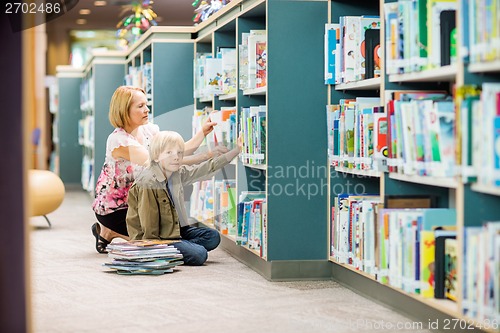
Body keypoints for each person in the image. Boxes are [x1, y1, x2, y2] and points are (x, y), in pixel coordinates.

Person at [91, 85, 225, 254]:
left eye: (146, 104)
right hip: (119, 210)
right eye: (140, 106)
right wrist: (207, 156)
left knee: (210, 238)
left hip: (149, 203)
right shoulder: (118, 141)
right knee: (191, 249)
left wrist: (202, 133)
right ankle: (116, 232)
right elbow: (161, 163)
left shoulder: (149, 130)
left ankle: (164, 242)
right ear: (124, 110)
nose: (146, 110)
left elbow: (176, 152)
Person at [126, 130, 241, 266]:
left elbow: (206, 168)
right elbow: (148, 225)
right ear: (156, 157)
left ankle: (181, 247)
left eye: (179, 152)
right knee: (199, 254)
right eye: (169, 153)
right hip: (156, 239)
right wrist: (154, 250)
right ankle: (175, 249)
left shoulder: (176, 173)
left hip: (175, 230)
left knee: (213, 237)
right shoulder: (148, 183)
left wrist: (237, 150)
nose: (176, 157)